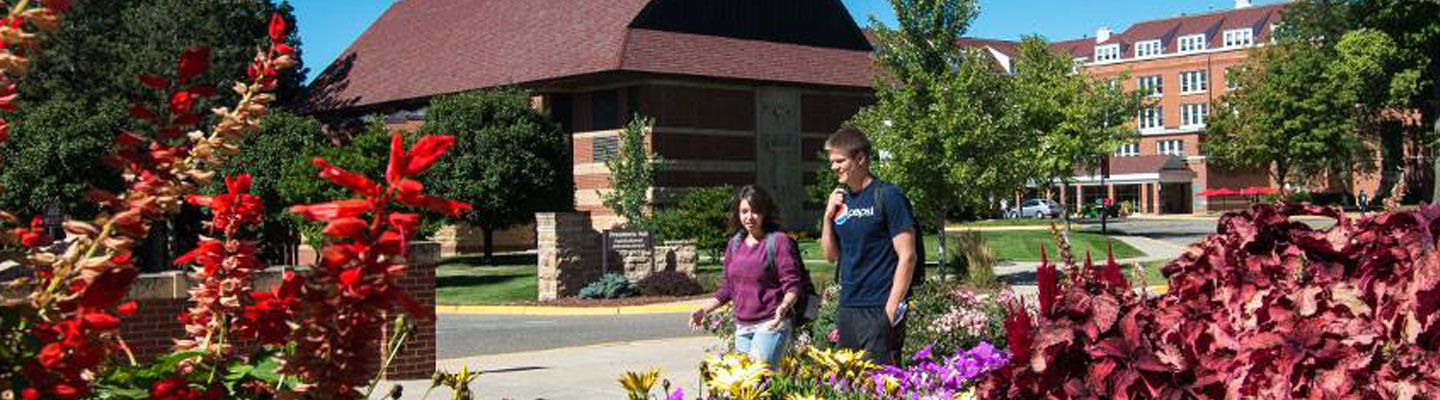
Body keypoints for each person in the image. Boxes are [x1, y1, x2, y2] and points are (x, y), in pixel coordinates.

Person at [819, 128, 919, 365]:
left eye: (840, 161)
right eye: (832, 162)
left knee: (882, 382)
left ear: (861, 159)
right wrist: (827, 217)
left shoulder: (889, 196)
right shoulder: (841, 201)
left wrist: (891, 308)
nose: (834, 167)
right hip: (849, 305)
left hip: (880, 305)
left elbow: (908, 256)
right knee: (851, 383)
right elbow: (831, 256)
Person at [689, 185, 805, 368]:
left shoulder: (778, 241)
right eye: (744, 211)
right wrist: (703, 310)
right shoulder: (735, 244)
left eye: (755, 211)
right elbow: (727, 289)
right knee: (745, 386)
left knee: (758, 381)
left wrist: (783, 308)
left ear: (765, 212)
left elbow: (792, 285)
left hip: (771, 323)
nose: (749, 217)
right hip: (742, 327)